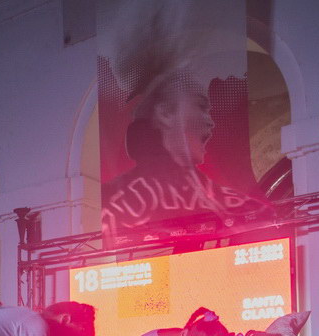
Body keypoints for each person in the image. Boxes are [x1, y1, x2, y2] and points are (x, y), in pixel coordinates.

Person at [101, 69, 269, 243]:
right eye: (201, 106)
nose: (210, 122)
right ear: (165, 113)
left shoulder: (241, 206)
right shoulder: (109, 200)